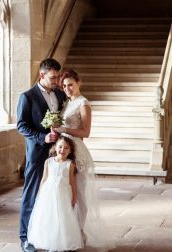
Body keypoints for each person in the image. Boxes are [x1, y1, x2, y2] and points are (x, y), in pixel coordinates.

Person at [53, 68, 111, 250]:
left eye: (70, 84)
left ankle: (79, 232)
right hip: (65, 151)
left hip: (78, 154)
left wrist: (63, 130)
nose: (67, 88)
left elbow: (86, 132)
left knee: (79, 196)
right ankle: (68, 232)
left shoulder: (83, 103)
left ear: (79, 83)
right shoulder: (67, 103)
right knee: (66, 194)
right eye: (64, 86)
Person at [17, 58, 67, 252]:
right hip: (38, 152)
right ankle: (25, 238)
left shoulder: (60, 96)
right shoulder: (27, 97)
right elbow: (21, 125)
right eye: (53, 78)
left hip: (59, 153)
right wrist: (42, 137)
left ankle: (53, 235)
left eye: (57, 77)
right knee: (31, 194)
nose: (56, 82)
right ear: (42, 75)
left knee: (56, 194)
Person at [28, 136, 84, 251]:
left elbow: (72, 183)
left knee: (63, 217)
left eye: (66, 148)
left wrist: (74, 197)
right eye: (60, 147)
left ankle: (63, 242)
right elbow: (44, 179)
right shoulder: (48, 162)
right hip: (48, 194)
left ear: (70, 151)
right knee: (49, 216)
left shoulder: (70, 164)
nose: (62, 150)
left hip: (63, 194)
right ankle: (50, 241)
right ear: (55, 147)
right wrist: (39, 193)